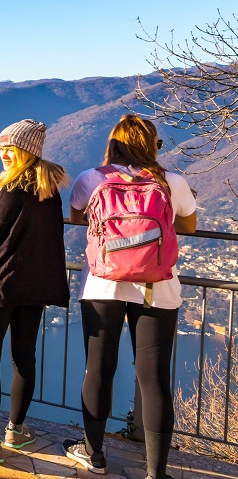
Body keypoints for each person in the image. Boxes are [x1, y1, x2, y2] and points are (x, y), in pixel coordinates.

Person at [63, 115, 197, 478]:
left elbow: (77, 217)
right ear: (153, 144)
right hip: (158, 288)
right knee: (153, 379)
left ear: (114, 144)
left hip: (102, 285)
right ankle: (156, 471)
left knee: (98, 369)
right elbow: (188, 224)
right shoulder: (172, 182)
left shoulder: (92, 178)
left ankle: (94, 455)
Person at [0, 119, 70, 464]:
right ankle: (17, 429)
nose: (4, 154)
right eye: (1, 149)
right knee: (24, 357)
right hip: (35, 285)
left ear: (27, 151)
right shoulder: (49, 189)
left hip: (0, 284)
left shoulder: (11, 189)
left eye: (10, 148)